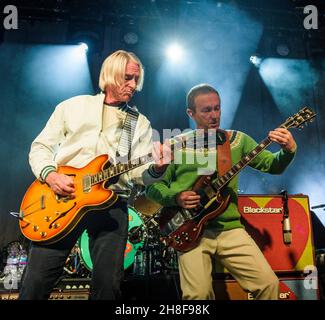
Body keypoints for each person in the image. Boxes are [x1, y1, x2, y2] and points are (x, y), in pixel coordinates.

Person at [19, 50, 170, 300]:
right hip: (62, 197)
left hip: (111, 204)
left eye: (136, 80)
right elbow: (41, 147)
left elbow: (137, 174)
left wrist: (157, 169)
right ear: (110, 74)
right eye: (128, 78)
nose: (133, 86)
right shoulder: (72, 107)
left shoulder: (138, 122)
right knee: (36, 281)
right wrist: (51, 175)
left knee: (108, 286)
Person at [146, 83, 297, 300]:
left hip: (229, 229)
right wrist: (176, 197)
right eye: (207, 110)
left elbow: (272, 165)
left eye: (217, 108)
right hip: (188, 230)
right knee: (197, 296)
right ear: (191, 113)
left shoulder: (237, 140)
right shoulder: (174, 145)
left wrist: (289, 150)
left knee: (269, 285)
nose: (214, 115)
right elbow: (153, 187)